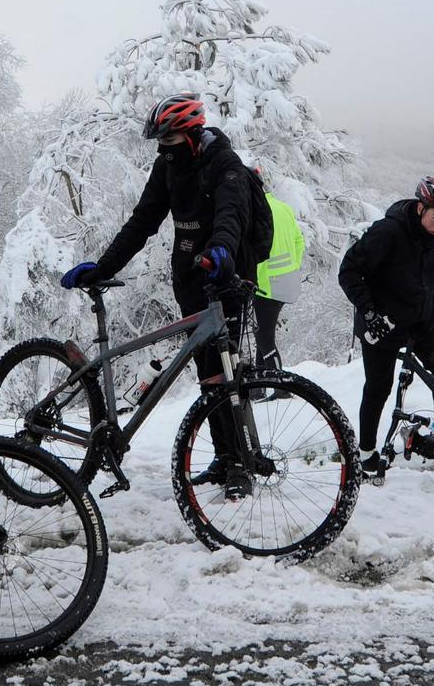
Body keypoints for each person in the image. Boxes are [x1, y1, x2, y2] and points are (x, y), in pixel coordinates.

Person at [60, 93, 258, 486]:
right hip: (189, 278)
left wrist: (221, 249)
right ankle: (225, 458)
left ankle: (239, 463)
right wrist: (104, 266)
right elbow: (143, 220)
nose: (163, 150)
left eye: (168, 141)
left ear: (191, 135)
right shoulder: (168, 166)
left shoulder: (225, 165)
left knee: (226, 372)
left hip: (226, 276)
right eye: (159, 143)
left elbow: (231, 215)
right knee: (208, 375)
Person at [338, 176, 434, 477]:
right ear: (420, 208)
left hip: (420, 317)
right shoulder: (388, 232)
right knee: (379, 387)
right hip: (382, 321)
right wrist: (370, 313)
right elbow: (349, 272)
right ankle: (365, 453)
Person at [250, 175, 305, 374]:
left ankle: (279, 385)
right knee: (262, 333)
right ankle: (258, 386)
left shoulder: (257, 213)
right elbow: (299, 241)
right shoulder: (283, 208)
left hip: (267, 285)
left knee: (264, 337)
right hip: (288, 282)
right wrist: (293, 267)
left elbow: (256, 253)